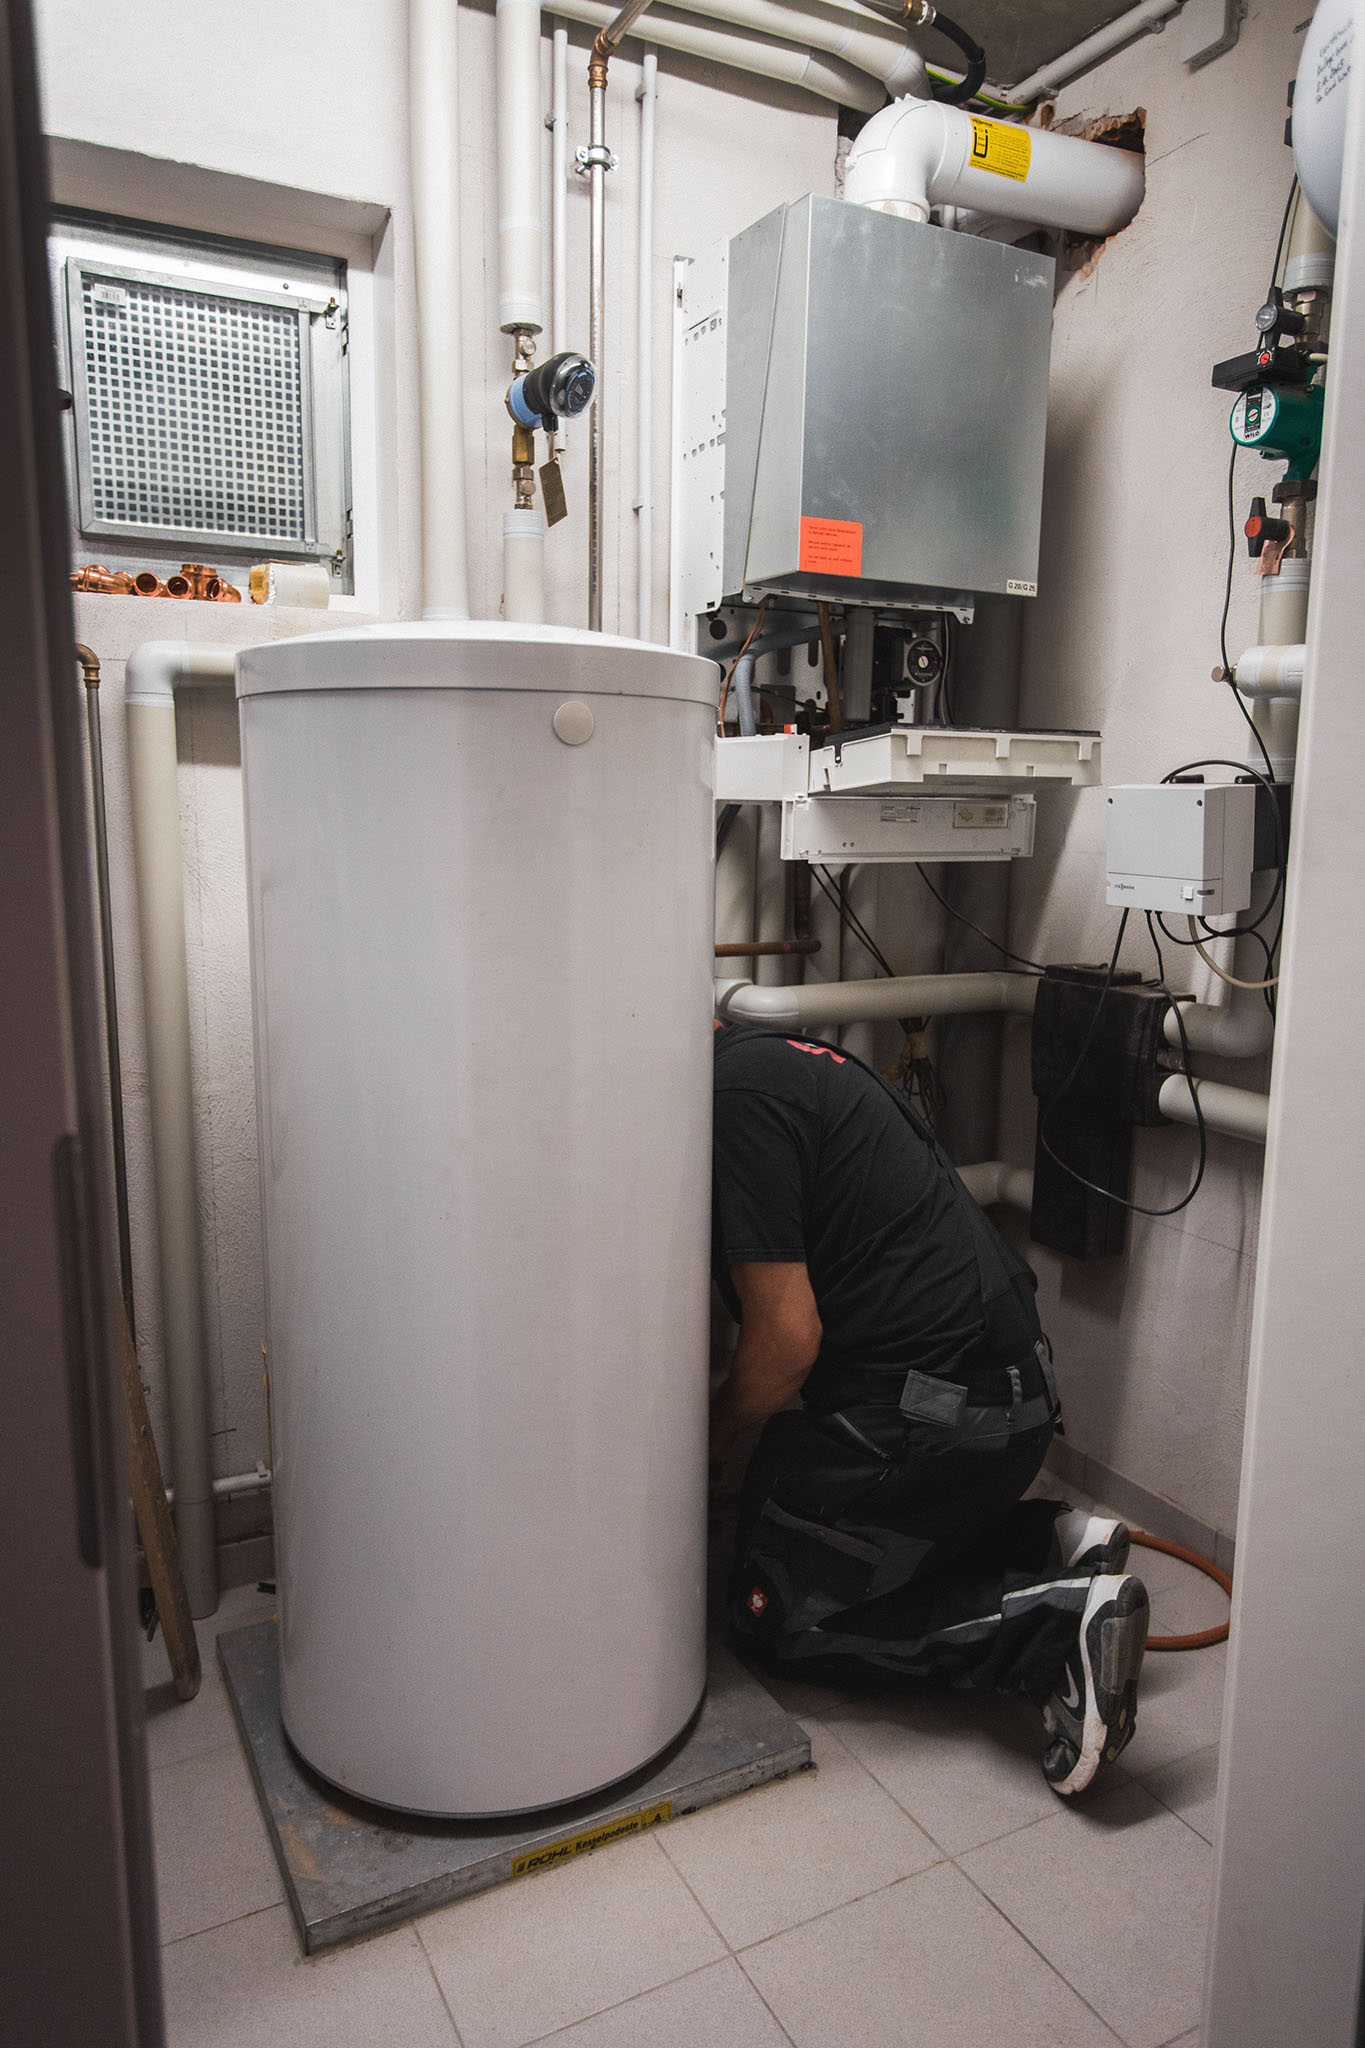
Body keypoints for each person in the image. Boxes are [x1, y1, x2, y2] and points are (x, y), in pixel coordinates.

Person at [710, 1019, 1149, 1796]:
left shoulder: (735, 1098)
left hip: (931, 1423)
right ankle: (1041, 1543)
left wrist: (704, 1439)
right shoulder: (786, 1060)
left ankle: (1049, 1627)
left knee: (771, 1613)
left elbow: (786, 1341)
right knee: (784, 1505)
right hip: (1008, 1401)